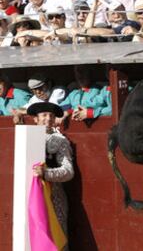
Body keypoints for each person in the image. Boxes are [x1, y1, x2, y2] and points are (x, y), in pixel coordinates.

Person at [28, 101, 74, 246]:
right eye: (44, 115)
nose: (48, 119)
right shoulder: (25, 138)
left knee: (55, 237)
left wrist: (46, 173)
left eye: (51, 116)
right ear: (35, 119)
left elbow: (68, 171)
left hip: (54, 196)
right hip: (28, 195)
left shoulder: (60, 141)